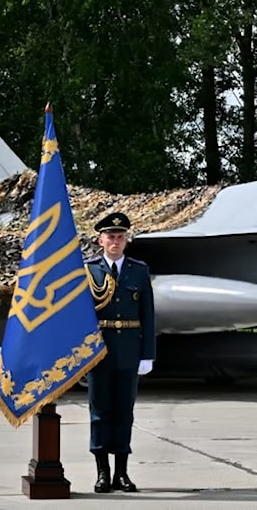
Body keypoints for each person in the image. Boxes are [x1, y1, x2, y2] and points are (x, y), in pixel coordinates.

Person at [83, 211, 156, 493]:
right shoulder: (89, 270)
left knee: (124, 412)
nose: (116, 241)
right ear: (100, 240)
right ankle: (102, 472)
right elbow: (81, 316)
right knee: (100, 412)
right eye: (111, 237)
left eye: (120, 237)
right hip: (99, 350)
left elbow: (147, 314)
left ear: (126, 240)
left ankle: (121, 473)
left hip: (128, 349)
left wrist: (147, 354)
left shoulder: (138, 270)